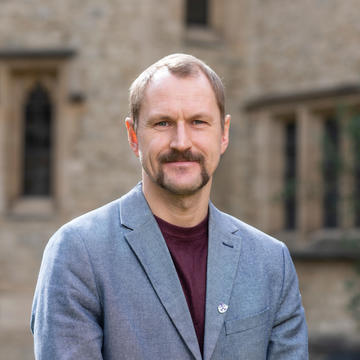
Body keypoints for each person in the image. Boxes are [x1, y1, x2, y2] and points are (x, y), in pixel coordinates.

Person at [31, 53, 308, 360]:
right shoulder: (78, 253)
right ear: (134, 136)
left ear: (224, 133)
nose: (181, 142)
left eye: (198, 122)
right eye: (162, 123)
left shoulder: (271, 262)